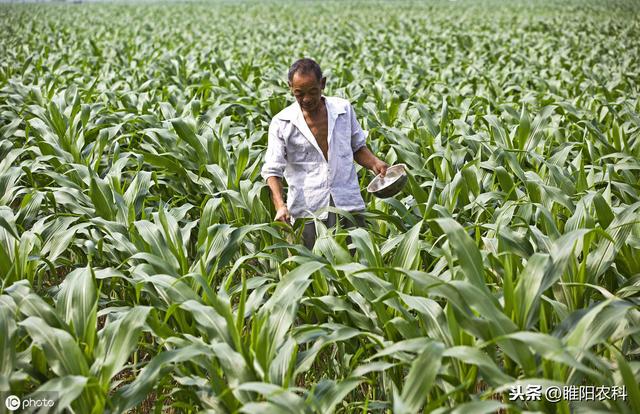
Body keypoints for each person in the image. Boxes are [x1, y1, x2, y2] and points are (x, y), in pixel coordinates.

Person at [261, 58, 388, 249]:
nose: (306, 99)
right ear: (290, 88)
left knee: (357, 267)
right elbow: (272, 171)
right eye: (299, 93)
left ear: (323, 84)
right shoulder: (282, 123)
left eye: (313, 91)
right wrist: (280, 205)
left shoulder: (343, 110)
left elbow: (358, 148)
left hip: (347, 203)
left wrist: (376, 164)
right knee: (312, 271)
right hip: (308, 211)